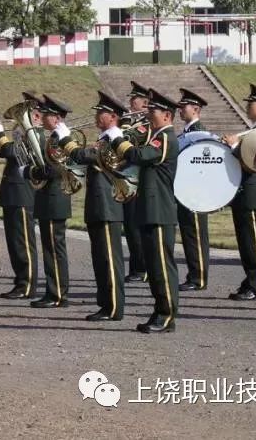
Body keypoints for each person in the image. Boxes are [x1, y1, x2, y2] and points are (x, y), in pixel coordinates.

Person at [110, 89, 180, 333]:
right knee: (154, 266)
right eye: (149, 109)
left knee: (162, 266)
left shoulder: (166, 138)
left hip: (160, 211)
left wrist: (117, 138)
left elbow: (139, 155)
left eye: (154, 110)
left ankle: (167, 315)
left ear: (167, 115)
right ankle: (160, 310)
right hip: (151, 209)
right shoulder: (156, 135)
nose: (148, 113)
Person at [65, 91, 127, 321]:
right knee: (100, 258)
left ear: (112, 116)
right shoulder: (104, 139)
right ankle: (105, 304)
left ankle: (114, 307)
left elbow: (82, 156)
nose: (97, 116)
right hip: (98, 205)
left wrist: (65, 139)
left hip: (108, 205)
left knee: (110, 259)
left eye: (101, 112)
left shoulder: (116, 139)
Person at [221, 85, 256, 301]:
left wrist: (235, 148)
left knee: (255, 242)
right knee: (245, 243)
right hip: (243, 194)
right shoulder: (252, 131)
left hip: (253, 193)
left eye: (251, 103)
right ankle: (250, 281)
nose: (247, 106)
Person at [0, 92, 41, 299]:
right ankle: (20, 282)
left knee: (23, 242)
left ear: (35, 117)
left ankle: (27, 285)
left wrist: (0, 134)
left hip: (22, 193)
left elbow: (13, 152)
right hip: (12, 192)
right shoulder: (24, 134)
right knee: (14, 242)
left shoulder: (34, 134)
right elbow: (4, 152)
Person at [24, 94, 76, 309]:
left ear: (56, 118)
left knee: (54, 249)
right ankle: (53, 291)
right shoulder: (53, 138)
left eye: (46, 114)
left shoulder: (60, 140)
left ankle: (57, 294)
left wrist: (27, 171)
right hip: (48, 199)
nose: (42, 117)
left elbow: (52, 170)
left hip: (55, 199)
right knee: (50, 248)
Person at [175, 88, 211, 292]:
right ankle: (194, 274)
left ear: (195, 108)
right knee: (189, 234)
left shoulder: (199, 132)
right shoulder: (188, 132)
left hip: (196, 192)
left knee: (196, 234)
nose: (180, 109)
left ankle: (199, 277)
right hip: (186, 191)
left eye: (184, 106)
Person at [120, 81, 152, 283]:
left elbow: (129, 143)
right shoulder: (128, 122)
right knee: (130, 228)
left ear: (145, 104)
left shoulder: (147, 125)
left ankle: (142, 269)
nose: (131, 102)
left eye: (135, 99)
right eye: (131, 98)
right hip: (124, 180)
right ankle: (135, 267)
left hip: (137, 181)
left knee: (136, 227)